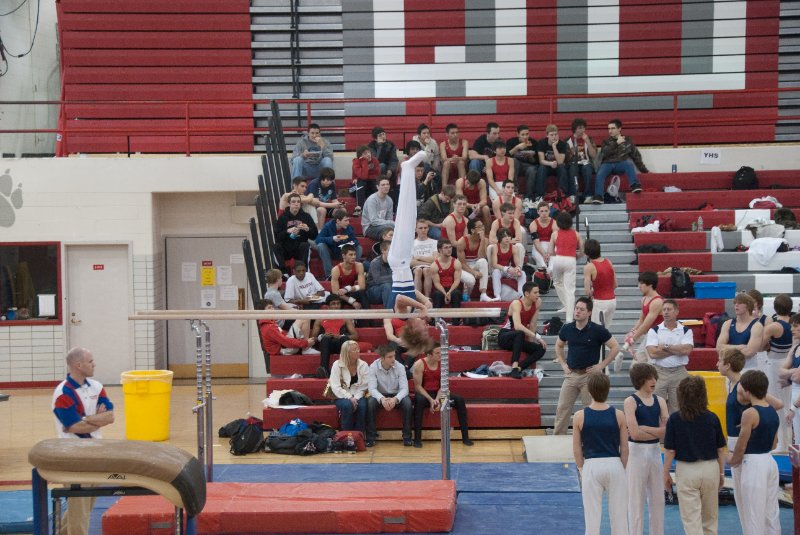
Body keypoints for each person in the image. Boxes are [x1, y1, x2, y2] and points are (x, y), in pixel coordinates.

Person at [717, 348, 783, 531]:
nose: (716, 363)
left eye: (719, 360)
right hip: (755, 448)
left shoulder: (742, 384)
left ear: (728, 365)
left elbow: (777, 404)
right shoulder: (732, 383)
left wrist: (752, 422)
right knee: (761, 507)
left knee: (749, 505)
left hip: (745, 446)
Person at [52, 347, 115, 535]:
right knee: (79, 510)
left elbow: (110, 417)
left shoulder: (96, 386)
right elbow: (74, 428)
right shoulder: (63, 392)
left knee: (85, 505)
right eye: (90, 361)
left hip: (95, 451)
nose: (94, 364)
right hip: (73, 455)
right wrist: (96, 418)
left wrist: (85, 419)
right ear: (78, 365)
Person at [663, 376, 726, 535]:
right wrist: (721, 472)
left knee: (691, 520)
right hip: (710, 468)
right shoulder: (712, 417)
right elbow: (720, 449)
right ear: (704, 394)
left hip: (687, 470)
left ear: (680, 396)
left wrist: (665, 474)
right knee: (710, 518)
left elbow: (670, 451)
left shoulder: (675, 419)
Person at [572, 373, 629, 535]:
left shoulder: (579, 416)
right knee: (619, 518)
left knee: (592, 518)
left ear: (589, 391)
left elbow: (577, 449)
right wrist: (621, 467)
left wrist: (582, 469)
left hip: (591, 465)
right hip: (614, 464)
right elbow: (625, 448)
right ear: (608, 390)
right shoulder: (619, 415)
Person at [554, 297, 620, 435]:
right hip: (571, 375)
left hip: (589, 376)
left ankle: (590, 439)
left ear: (589, 313)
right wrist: (563, 364)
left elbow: (615, 347)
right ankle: (557, 440)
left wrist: (601, 365)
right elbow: (559, 345)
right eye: (576, 308)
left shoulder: (597, 330)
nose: (577, 311)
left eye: (581, 309)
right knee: (562, 408)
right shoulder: (567, 328)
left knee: (590, 410)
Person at [624, 363, 668, 535]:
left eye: (655, 377)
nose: (654, 381)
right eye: (649, 378)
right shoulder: (630, 401)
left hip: (655, 452)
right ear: (640, 380)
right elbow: (634, 433)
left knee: (658, 500)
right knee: (636, 500)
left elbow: (666, 433)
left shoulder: (660, 401)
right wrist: (656, 432)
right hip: (636, 453)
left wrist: (646, 429)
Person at [387, 149, 431, 311]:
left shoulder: (400, 313)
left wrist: (421, 307)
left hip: (399, 262)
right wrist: (425, 301)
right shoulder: (410, 312)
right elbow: (411, 292)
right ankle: (409, 169)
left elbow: (400, 297)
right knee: (411, 214)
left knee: (405, 215)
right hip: (403, 262)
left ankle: (407, 168)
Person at [412, 341, 473, 447]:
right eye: (437, 353)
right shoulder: (419, 364)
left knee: (459, 400)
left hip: (439, 392)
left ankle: (465, 437)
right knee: (419, 400)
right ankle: (417, 439)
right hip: (424, 393)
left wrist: (438, 399)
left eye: (441, 352)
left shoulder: (443, 363)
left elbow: (443, 385)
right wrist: (431, 400)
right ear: (429, 355)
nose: (441, 355)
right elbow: (418, 387)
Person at [645, 299, 694, 414]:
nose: (666, 312)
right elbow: (652, 353)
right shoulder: (654, 330)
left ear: (676, 311)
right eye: (664, 310)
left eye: (669, 309)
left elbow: (687, 350)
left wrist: (665, 346)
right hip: (659, 372)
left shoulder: (686, 330)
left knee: (678, 407)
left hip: (679, 372)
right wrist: (677, 349)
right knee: (657, 406)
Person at [763, 294, 794, 451]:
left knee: (776, 402)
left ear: (775, 308)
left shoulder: (773, 326)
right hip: (790, 362)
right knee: (788, 402)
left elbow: (761, 345)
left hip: (776, 365)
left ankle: (782, 443)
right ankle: (789, 440)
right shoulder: (794, 324)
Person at [367, 345, 414, 447]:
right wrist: (382, 399)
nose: (393, 359)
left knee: (407, 403)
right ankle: (370, 437)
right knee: (370, 402)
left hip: (396, 395)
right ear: (382, 358)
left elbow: (405, 389)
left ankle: (407, 437)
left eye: (394, 356)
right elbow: (372, 389)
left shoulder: (400, 367)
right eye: (390, 357)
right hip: (380, 395)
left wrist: (395, 399)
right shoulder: (373, 367)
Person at [498, 282, 547, 379]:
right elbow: (517, 326)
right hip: (505, 337)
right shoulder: (516, 303)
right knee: (519, 332)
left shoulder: (538, 302)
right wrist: (537, 337)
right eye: (535, 293)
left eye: (538, 292)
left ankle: (518, 369)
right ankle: (514, 365)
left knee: (541, 349)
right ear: (527, 294)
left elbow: (533, 324)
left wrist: (530, 343)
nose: (538, 295)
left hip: (518, 339)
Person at [593, 119, 648, 200]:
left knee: (629, 164)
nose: (610, 131)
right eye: (609, 129)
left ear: (619, 129)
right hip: (607, 163)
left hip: (621, 163)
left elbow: (635, 156)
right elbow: (604, 153)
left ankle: (635, 185)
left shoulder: (627, 140)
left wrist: (644, 170)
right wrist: (616, 143)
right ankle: (598, 196)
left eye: (613, 128)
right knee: (600, 173)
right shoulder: (606, 141)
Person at [622, 271, 663, 366]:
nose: (639, 286)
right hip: (649, 337)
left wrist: (633, 339)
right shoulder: (644, 299)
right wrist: (632, 331)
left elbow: (646, 325)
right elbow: (641, 320)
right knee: (635, 366)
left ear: (650, 285)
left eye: (642, 283)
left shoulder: (657, 301)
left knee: (652, 368)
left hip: (657, 339)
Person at [329, 339, 370, 435]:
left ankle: (358, 435)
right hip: (341, 395)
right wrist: (349, 397)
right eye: (354, 350)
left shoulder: (363, 365)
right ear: (346, 353)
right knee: (347, 406)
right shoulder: (337, 365)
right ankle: (346, 435)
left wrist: (355, 398)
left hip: (358, 394)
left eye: (358, 349)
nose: (358, 351)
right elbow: (335, 386)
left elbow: (364, 386)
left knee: (363, 406)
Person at [550, 211, 583, 322]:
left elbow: (550, 251)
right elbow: (583, 250)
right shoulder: (576, 234)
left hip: (558, 259)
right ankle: (569, 317)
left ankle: (567, 305)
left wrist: (556, 255)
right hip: (570, 260)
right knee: (570, 290)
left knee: (557, 282)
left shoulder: (555, 234)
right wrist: (576, 257)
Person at [313, 296, 359, 377]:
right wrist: (322, 336)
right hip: (326, 345)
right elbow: (312, 338)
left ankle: (346, 369)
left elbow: (355, 336)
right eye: (333, 304)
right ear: (328, 306)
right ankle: (324, 370)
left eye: (338, 303)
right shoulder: (320, 318)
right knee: (326, 338)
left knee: (345, 338)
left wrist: (341, 336)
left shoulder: (345, 318)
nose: (336, 306)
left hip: (340, 345)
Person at [716, 292, 764, 370]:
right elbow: (718, 348)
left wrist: (727, 349)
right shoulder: (727, 324)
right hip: (730, 368)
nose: (736, 305)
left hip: (749, 368)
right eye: (735, 303)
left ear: (748, 306)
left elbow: (749, 352)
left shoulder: (757, 326)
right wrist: (740, 347)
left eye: (740, 303)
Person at [274, 192, 318, 272]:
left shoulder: (306, 216)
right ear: (289, 204)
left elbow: (314, 235)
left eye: (298, 202)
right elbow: (277, 237)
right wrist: (287, 231)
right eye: (293, 202)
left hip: (300, 247)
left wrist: (307, 229)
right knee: (276, 246)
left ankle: (305, 271)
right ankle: (283, 272)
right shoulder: (282, 217)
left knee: (305, 245)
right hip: (286, 248)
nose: (296, 204)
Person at [315, 208, 362, 279]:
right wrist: (332, 239)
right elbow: (318, 239)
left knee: (359, 248)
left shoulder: (348, 228)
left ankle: (351, 270)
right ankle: (330, 275)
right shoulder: (328, 226)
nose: (348, 222)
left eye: (348, 220)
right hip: (330, 251)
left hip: (342, 252)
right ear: (338, 221)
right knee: (321, 245)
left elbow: (355, 241)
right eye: (345, 220)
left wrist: (351, 243)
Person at [456, 219, 494, 302]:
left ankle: (483, 294)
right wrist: (473, 272)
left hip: (476, 263)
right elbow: (462, 263)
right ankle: (467, 295)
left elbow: (481, 257)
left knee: (483, 261)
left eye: (482, 226)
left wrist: (482, 241)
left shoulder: (485, 240)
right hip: (463, 266)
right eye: (479, 227)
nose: (483, 228)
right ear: (472, 230)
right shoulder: (462, 241)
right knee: (471, 280)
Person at [583, 239, 617, 328]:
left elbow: (587, 291)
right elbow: (615, 284)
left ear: (586, 253)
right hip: (612, 301)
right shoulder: (609, 262)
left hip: (600, 302)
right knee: (606, 332)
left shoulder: (589, 267)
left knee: (597, 331)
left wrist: (594, 290)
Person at [534, 125, 571, 203]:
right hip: (547, 165)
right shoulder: (542, 143)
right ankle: (539, 195)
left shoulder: (562, 144)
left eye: (556, 134)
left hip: (558, 165)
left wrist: (554, 146)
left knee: (562, 168)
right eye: (551, 135)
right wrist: (550, 163)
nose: (554, 137)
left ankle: (562, 194)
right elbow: (541, 160)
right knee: (541, 168)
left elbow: (560, 161)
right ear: (547, 135)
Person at [565, 118, 598, 204]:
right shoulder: (568, 141)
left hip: (585, 162)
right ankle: (572, 195)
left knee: (587, 169)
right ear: (574, 129)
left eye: (583, 128)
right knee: (572, 168)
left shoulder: (588, 139)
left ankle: (588, 195)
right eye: (580, 128)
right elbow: (565, 159)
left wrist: (587, 142)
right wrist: (571, 153)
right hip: (573, 163)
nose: (582, 130)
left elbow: (593, 155)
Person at [489, 228, 526, 300]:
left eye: (508, 236)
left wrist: (518, 268)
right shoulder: (495, 247)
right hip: (499, 269)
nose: (507, 238)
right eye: (504, 236)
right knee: (496, 272)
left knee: (523, 273)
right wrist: (507, 269)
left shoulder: (514, 247)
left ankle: (521, 294)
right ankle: (497, 295)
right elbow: (494, 264)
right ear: (500, 238)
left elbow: (517, 262)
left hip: (508, 269)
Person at [429, 239, 463, 314]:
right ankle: (436, 320)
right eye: (446, 248)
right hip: (440, 288)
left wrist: (449, 292)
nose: (449, 250)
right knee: (437, 294)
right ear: (440, 250)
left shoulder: (456, 263)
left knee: (456, 293)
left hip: (452, 287)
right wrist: (445, 293)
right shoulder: (434, 265)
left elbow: (457, 280)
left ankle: (456, 322)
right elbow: (436, 283)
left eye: (450, 247)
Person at [330, 244, 368, 310]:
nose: (354, 257)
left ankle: (367, 319)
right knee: (335, 298)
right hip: (339, 295)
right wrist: (352, 301)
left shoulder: (359, 265)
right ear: (344, 256)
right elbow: (335, 292)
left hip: (349, 292)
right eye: (351, 255)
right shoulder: (336, 270)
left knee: (362, 293)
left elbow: (362, 286)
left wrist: (347, 289)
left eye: (354, 254)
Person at [781, 313, 800, 444]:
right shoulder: (795, 348)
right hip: (795, 396)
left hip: (797, 400)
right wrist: (793, 371)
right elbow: (781, 373)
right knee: (798, 440)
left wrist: (794, 408)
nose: (791, 329)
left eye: (795, 326)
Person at [505, 124, 538, 197]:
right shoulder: (511, 142)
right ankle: (515, 190)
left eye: (527, 134)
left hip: (528, 166)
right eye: (522, 134)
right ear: (518, 134)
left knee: (532, 169)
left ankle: (529, 196)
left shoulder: (533, 142)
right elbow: (506, 156)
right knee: (514, 161)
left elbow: (536, 161)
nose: (525, 137)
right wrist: (516, 148)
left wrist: (531, 157)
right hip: (516, 165)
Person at [361, 176, 394, 241]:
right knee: (388, 232)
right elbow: (373, 221)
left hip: (384, 225)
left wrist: (390, 224)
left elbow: (389, 218)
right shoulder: (372, 200)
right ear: (377, 187)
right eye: (383, 185)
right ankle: (383, 250)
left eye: (387, 184)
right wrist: (390, 223)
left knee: (396, 229)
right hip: (369, 227)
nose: (386, 186)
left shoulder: (389, 200)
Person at [411, 219, 438, 295]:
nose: (423, 230)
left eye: (425, 228)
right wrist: (429, 262)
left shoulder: (434, 242)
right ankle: (418, 298)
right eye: (420, 228)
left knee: (426, 270)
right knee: (418, 270)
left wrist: (419, 257)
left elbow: (436, 259)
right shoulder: (411, 243)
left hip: (430, 267)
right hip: (418, 267)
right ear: (416, 229)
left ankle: (427, 297)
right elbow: (411, 262)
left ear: (428, 229)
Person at [352, 144, 381, 211]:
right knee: (361, 181)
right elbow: (363, 176)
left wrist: (367, 176)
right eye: (365, 153)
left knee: (374, 182)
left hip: (370, 185)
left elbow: (377, 175)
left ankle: (377, 207)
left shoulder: (375, 160)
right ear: (360, 156)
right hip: (355, 189)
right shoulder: (356, 162)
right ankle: (360, 207)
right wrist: (364, 162)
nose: (368, 154)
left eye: (369, 152)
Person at [439, 123, 469, 187]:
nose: (455, 135)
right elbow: (444, 158)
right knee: (446, 163)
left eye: (457, 132)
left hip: (461, 166)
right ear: (447, 134)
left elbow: (465, 157)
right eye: (452, 133)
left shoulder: (464, 142)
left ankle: (463, 187)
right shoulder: (443, 144)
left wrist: (457, 158)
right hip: (449, 168)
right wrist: (454, 159)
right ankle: (444, 188)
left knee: (461, 162)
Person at [366, 240, 393, 308]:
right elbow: (377, 280)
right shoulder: (375, 263)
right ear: (383, 251)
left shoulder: (395, 262)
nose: (393, 252)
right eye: (390, 250)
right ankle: (389, 315)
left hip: (389, 288)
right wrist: (394, 277)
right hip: (373, 291)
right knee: (387, 286)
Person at [528, 201, 555, 270]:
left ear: (549, 211)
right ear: (538, 212)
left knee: (554, 254)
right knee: (540, 261)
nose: (544, 213)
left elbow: (554, 240)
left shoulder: (554, 223)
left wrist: (548, 253)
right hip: (539, 246)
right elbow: (536, 243)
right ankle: (543, 266)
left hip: (551, 245)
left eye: (546, 211)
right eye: (542, 211)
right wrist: (544, 254)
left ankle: (550, 268)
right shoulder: (533, 224)